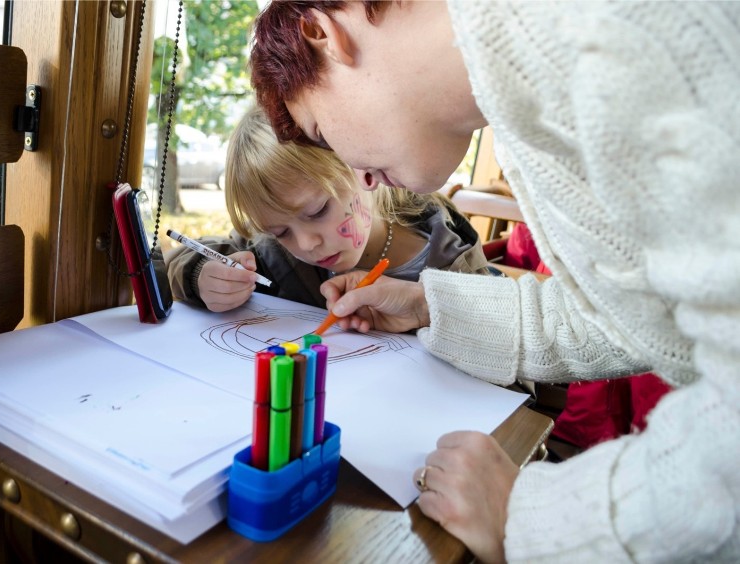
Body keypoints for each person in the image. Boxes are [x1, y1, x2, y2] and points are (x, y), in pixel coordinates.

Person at [249, 1, 740, 562]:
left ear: (322, 33)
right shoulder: (526, 104)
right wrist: (430, 309)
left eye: (321, 130)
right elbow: (636, 314)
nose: (357, 173)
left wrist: (536, 518)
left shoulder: (617, 33)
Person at [165, 106, 489, 313]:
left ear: (361, 166)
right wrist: (201, 276)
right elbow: (178, 260)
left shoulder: (452, 262)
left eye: (318, 210)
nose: (305, 244)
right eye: (280, 232)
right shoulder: (275, 256)